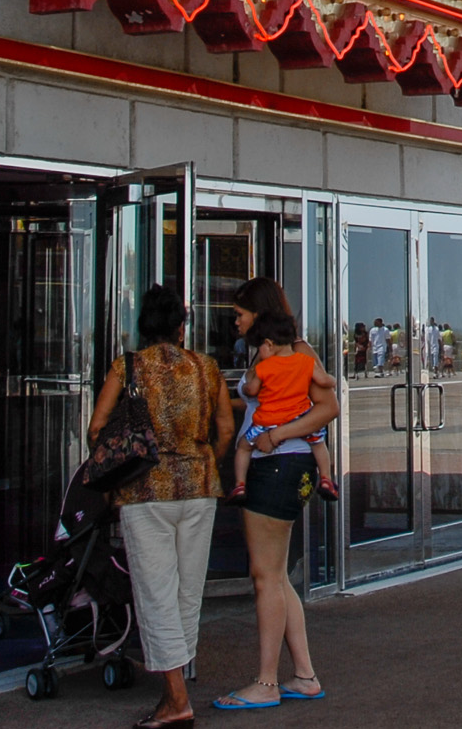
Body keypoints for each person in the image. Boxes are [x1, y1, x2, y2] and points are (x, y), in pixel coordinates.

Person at [89, 283, 231, 729]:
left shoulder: (127, 367)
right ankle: (178, 677)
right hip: (200, 488)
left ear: (144, 326)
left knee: (155, 593)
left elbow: (97, 428)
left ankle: (176, 698)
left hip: (144, 490)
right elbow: (225, 429)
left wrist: (116, 467)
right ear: (180, 326)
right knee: (187, 591)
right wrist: (204, 462)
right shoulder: (206, 367)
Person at [212, 278, 337, 712]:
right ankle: (303, 675)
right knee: (278, 575)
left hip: (281, 464)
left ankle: (265, 681)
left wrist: (277, 435)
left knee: (264, 575)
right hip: (284, 465)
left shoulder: (298, 351)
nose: (235, 320)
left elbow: (329, 407)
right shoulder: (269, 353)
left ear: (259, 312)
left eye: (240, 313)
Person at [228, 313, 338, 503]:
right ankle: (326, 478)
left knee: (243, 447)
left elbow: (252, 390)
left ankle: (239, 484)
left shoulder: (265, 367)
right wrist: (333, 379)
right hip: (298, 416)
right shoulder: (306, 362)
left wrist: (245, 387)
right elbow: (325, 380)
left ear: (269, 344)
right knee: (318, 444)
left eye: (259, 347)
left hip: (267, 421)